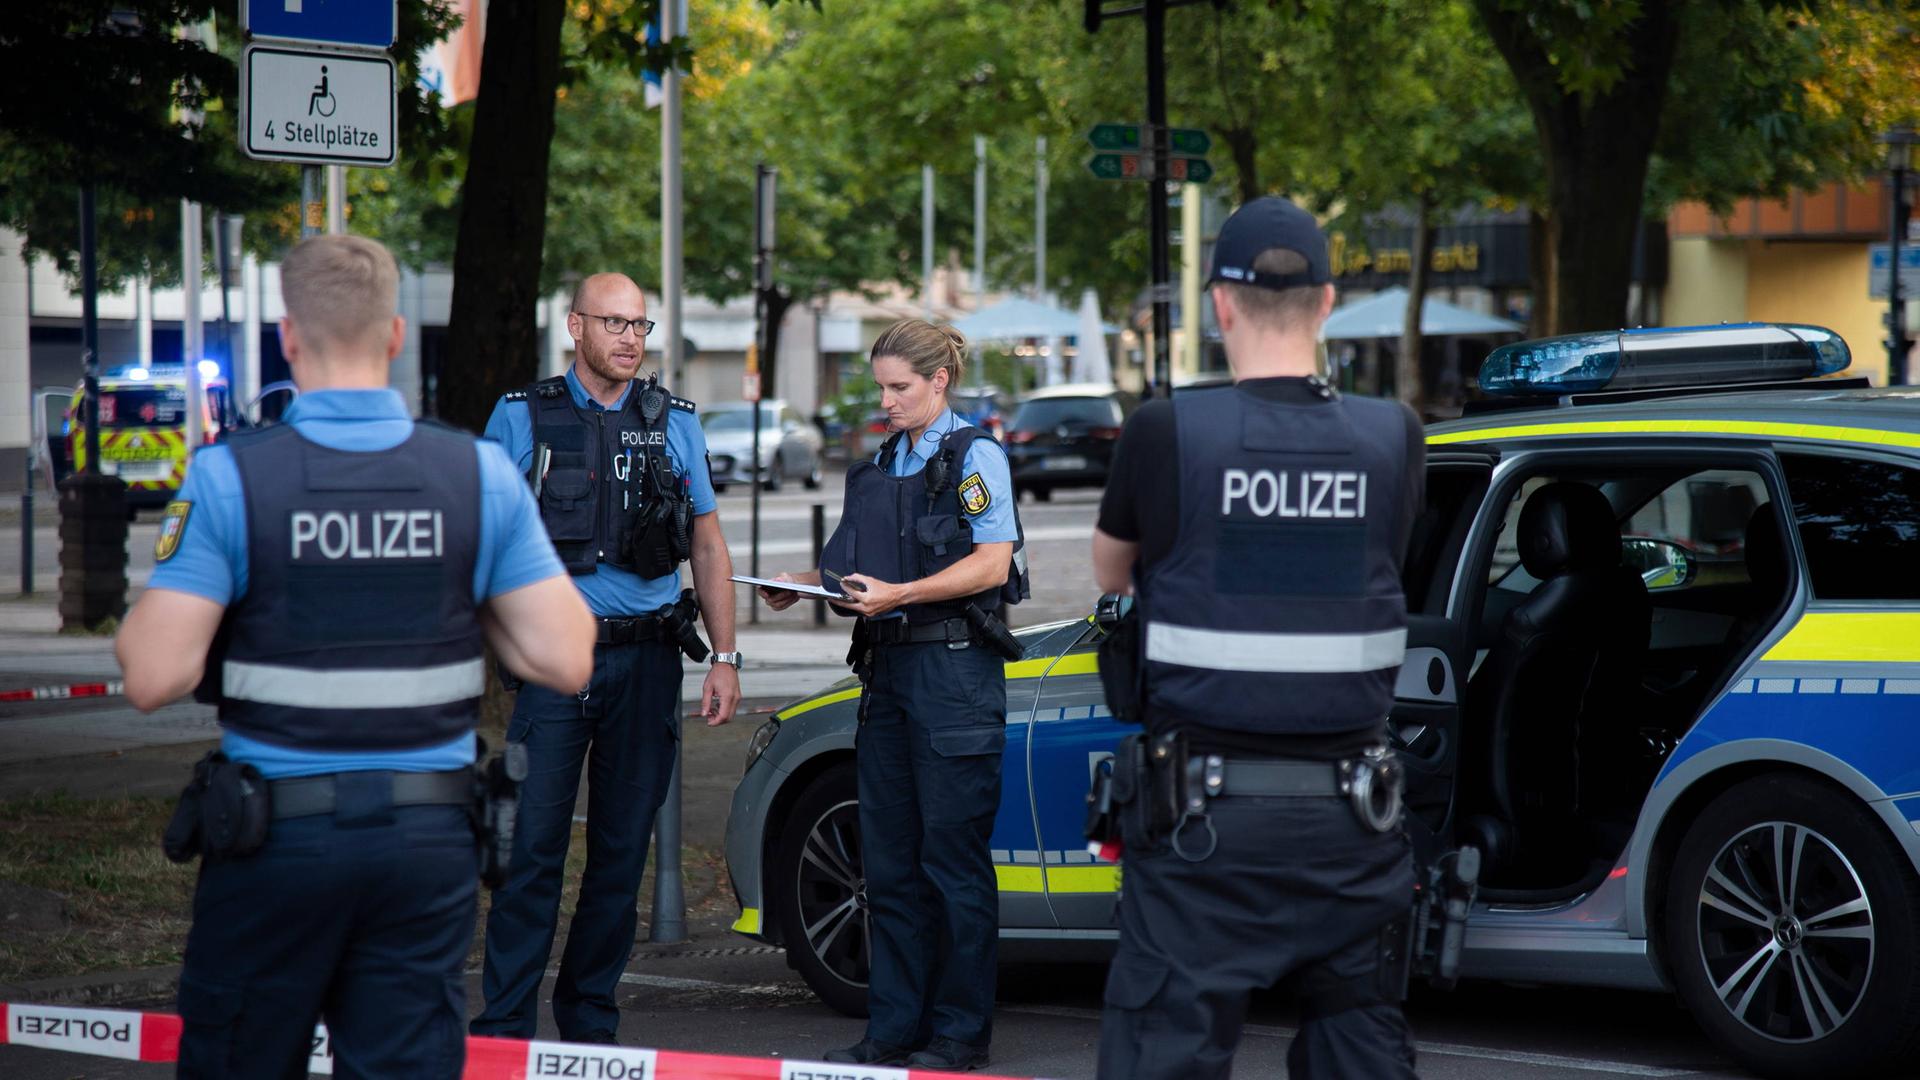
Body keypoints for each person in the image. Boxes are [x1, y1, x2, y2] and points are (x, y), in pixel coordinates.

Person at [115, 234, 595, 1079]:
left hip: (276, 848)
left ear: (290, 338)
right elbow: (565, 657)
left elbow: (154, 676)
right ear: (398, 335)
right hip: (426, 846)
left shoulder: (233, 478)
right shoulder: (474, 475)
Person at [1089, 196, 1425, 1080]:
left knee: (1162, 1056)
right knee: (1361, 1055)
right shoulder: (1392, 436)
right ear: (1325, 302)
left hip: (1201, 829)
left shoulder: (1166, 432)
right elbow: (1378, 564)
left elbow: (1112, 574)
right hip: (1355, 826)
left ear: (1219, 304)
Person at [471, 271, 742, 1045]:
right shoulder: (522, 416)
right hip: (557, 663)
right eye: (614, 323)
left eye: (640, 325)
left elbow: (707, 542)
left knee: (621, 858)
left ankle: (589, 1026)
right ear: (575, 327)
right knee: (531, 853)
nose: (630, 338)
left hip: (648, 660)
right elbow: (486, 540)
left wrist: (726, 655)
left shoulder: (674, 421)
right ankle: (504, 1032)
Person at [760, 319, 1027, 1073]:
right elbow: (859, 569)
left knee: (953, 863)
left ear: (938, 382)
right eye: (880, 386)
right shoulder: (881, 463)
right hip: (888, 676)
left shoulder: (975, 458)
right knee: (890, 864)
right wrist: (805, 585)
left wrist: (903, 593)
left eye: (899, 388)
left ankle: (959, 1035)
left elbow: (991, 564)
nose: (886, 401)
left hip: (952, 678)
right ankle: (893, 1030)